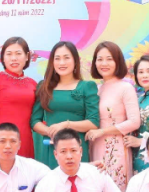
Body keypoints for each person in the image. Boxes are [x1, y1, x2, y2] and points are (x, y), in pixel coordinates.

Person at [32, 41, 100, 169]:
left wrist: (66, 125)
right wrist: (50, 132)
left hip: (77, 148)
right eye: (57, 58)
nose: (61, 63)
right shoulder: (44, 86)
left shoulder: (87, 86)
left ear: (75, 60)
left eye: (66, 58)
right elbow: (35, 121)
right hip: (52, 147)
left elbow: (93, 122)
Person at [87, 41, 140, 192]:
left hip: (115, 148)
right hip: (94, 145)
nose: (104, 63)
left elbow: (134, 122)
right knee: (97, 191)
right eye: (100, 59)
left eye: (109, 59)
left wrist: (102, 132)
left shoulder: (125, 88)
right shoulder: (96, 89)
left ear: (118, 61)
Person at [0, 37, 37, 158]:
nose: (14, 58)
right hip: (1, 144)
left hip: (25, 142)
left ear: (27, 56)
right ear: (3, 57)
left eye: (18, 53)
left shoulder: (33, 84)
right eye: (9, 54)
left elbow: (37, 118)